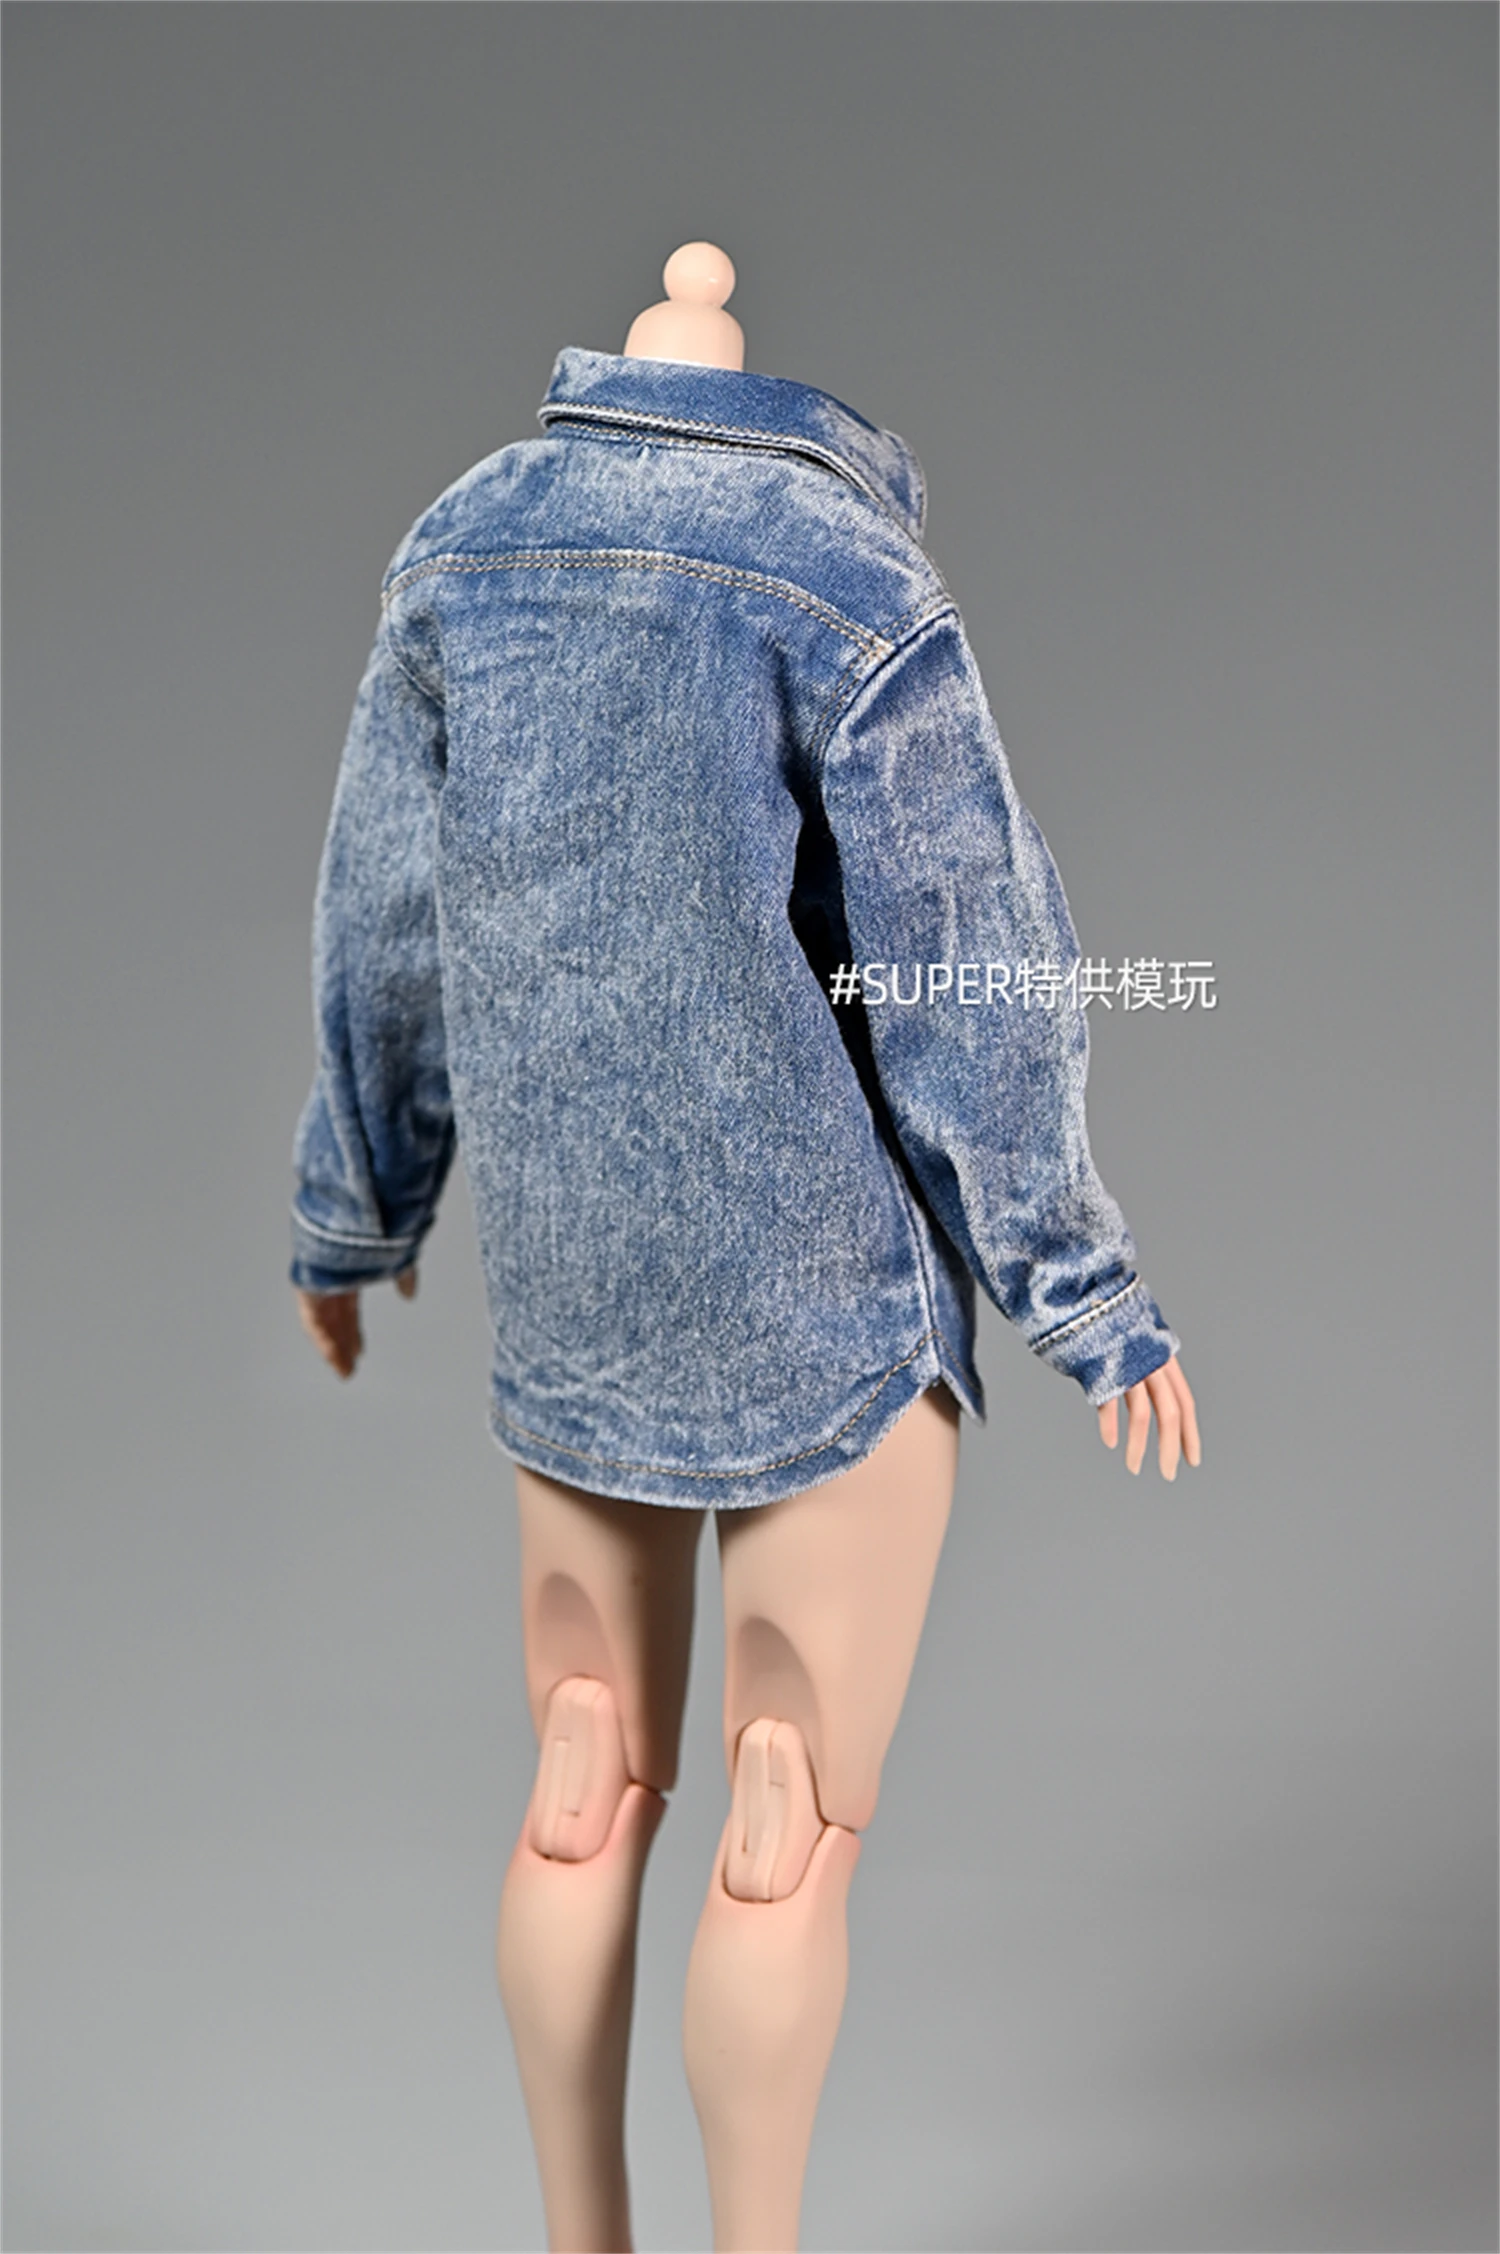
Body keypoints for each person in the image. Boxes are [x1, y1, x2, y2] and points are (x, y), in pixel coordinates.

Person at [290, 243, 1201, 2253]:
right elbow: (965, 973)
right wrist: (1085, 1292)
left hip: (570, 1292)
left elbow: (384, 916)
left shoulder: (460, 546)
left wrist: (361, 1201)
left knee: (580, 1779)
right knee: (783, 1816)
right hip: (819, 1304)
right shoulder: (847, 572)